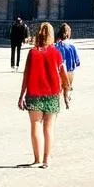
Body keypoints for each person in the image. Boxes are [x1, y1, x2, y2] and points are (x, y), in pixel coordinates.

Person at [17, 21, 71, 167]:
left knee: (35, 125)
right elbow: (63, 73)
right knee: (49, 127)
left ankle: (37, 159)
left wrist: (21, 95)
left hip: (34, 93)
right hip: (53, 94)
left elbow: (26, 75)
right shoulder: (56, 53)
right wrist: (67, 90)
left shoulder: (32, 52)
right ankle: (46, 160)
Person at [55, 23, 81, 105]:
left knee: (58, 88)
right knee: (67, 87)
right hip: (69, 71)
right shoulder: (71, 46)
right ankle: (66, 97)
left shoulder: (56, 46)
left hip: (59, 71)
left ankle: (57, 101)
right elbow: (77, 61)